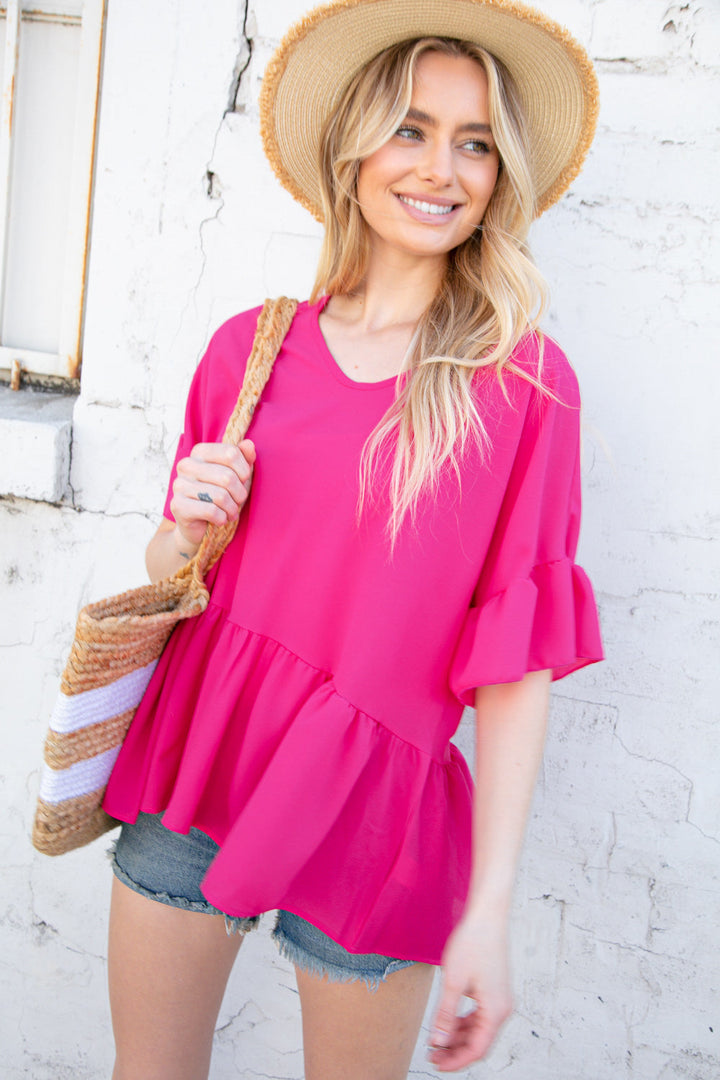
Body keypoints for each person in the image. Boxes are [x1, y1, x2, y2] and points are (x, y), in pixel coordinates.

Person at [102, 2, 603, 1077]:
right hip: (203, 763)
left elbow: (517, 666)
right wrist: (192, 526)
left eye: (475, 143)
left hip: (379, 815)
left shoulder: (521, 387)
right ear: (355, 149)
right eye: (411, 129)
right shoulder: (251, 347)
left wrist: (492, 912)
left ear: (499, 174)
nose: (443, 169)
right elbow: (172, 578)